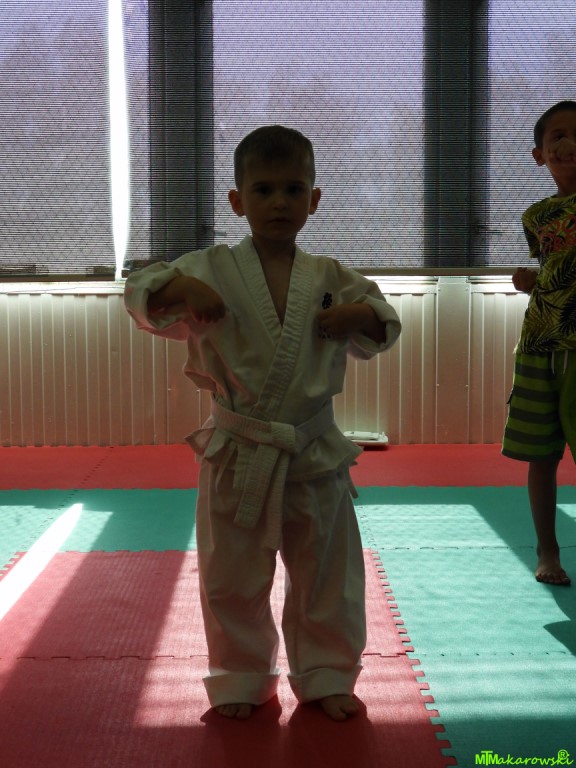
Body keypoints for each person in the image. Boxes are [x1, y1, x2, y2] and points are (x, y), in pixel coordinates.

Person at [124, 125, 401, 720]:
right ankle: (240, 679)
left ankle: (327, 675)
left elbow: (383, 322)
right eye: (264, 190)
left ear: (314, 200)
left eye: (293, 190)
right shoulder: (210, 267)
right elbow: (140, 293)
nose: (280, 202)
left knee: (327, 574)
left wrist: (357, 315)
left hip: (313, 450)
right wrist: (184, 287)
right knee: (231, 576)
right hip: (238, 449)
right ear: (237, 200)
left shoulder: (330, 276)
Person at [502, 100, 576, 587]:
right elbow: (556, 270)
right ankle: (547, 549)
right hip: (539, 344)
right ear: (540, 154)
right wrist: (531, 281)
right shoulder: (538, 216)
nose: (570, 144)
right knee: (541, 455)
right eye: (559, 136)